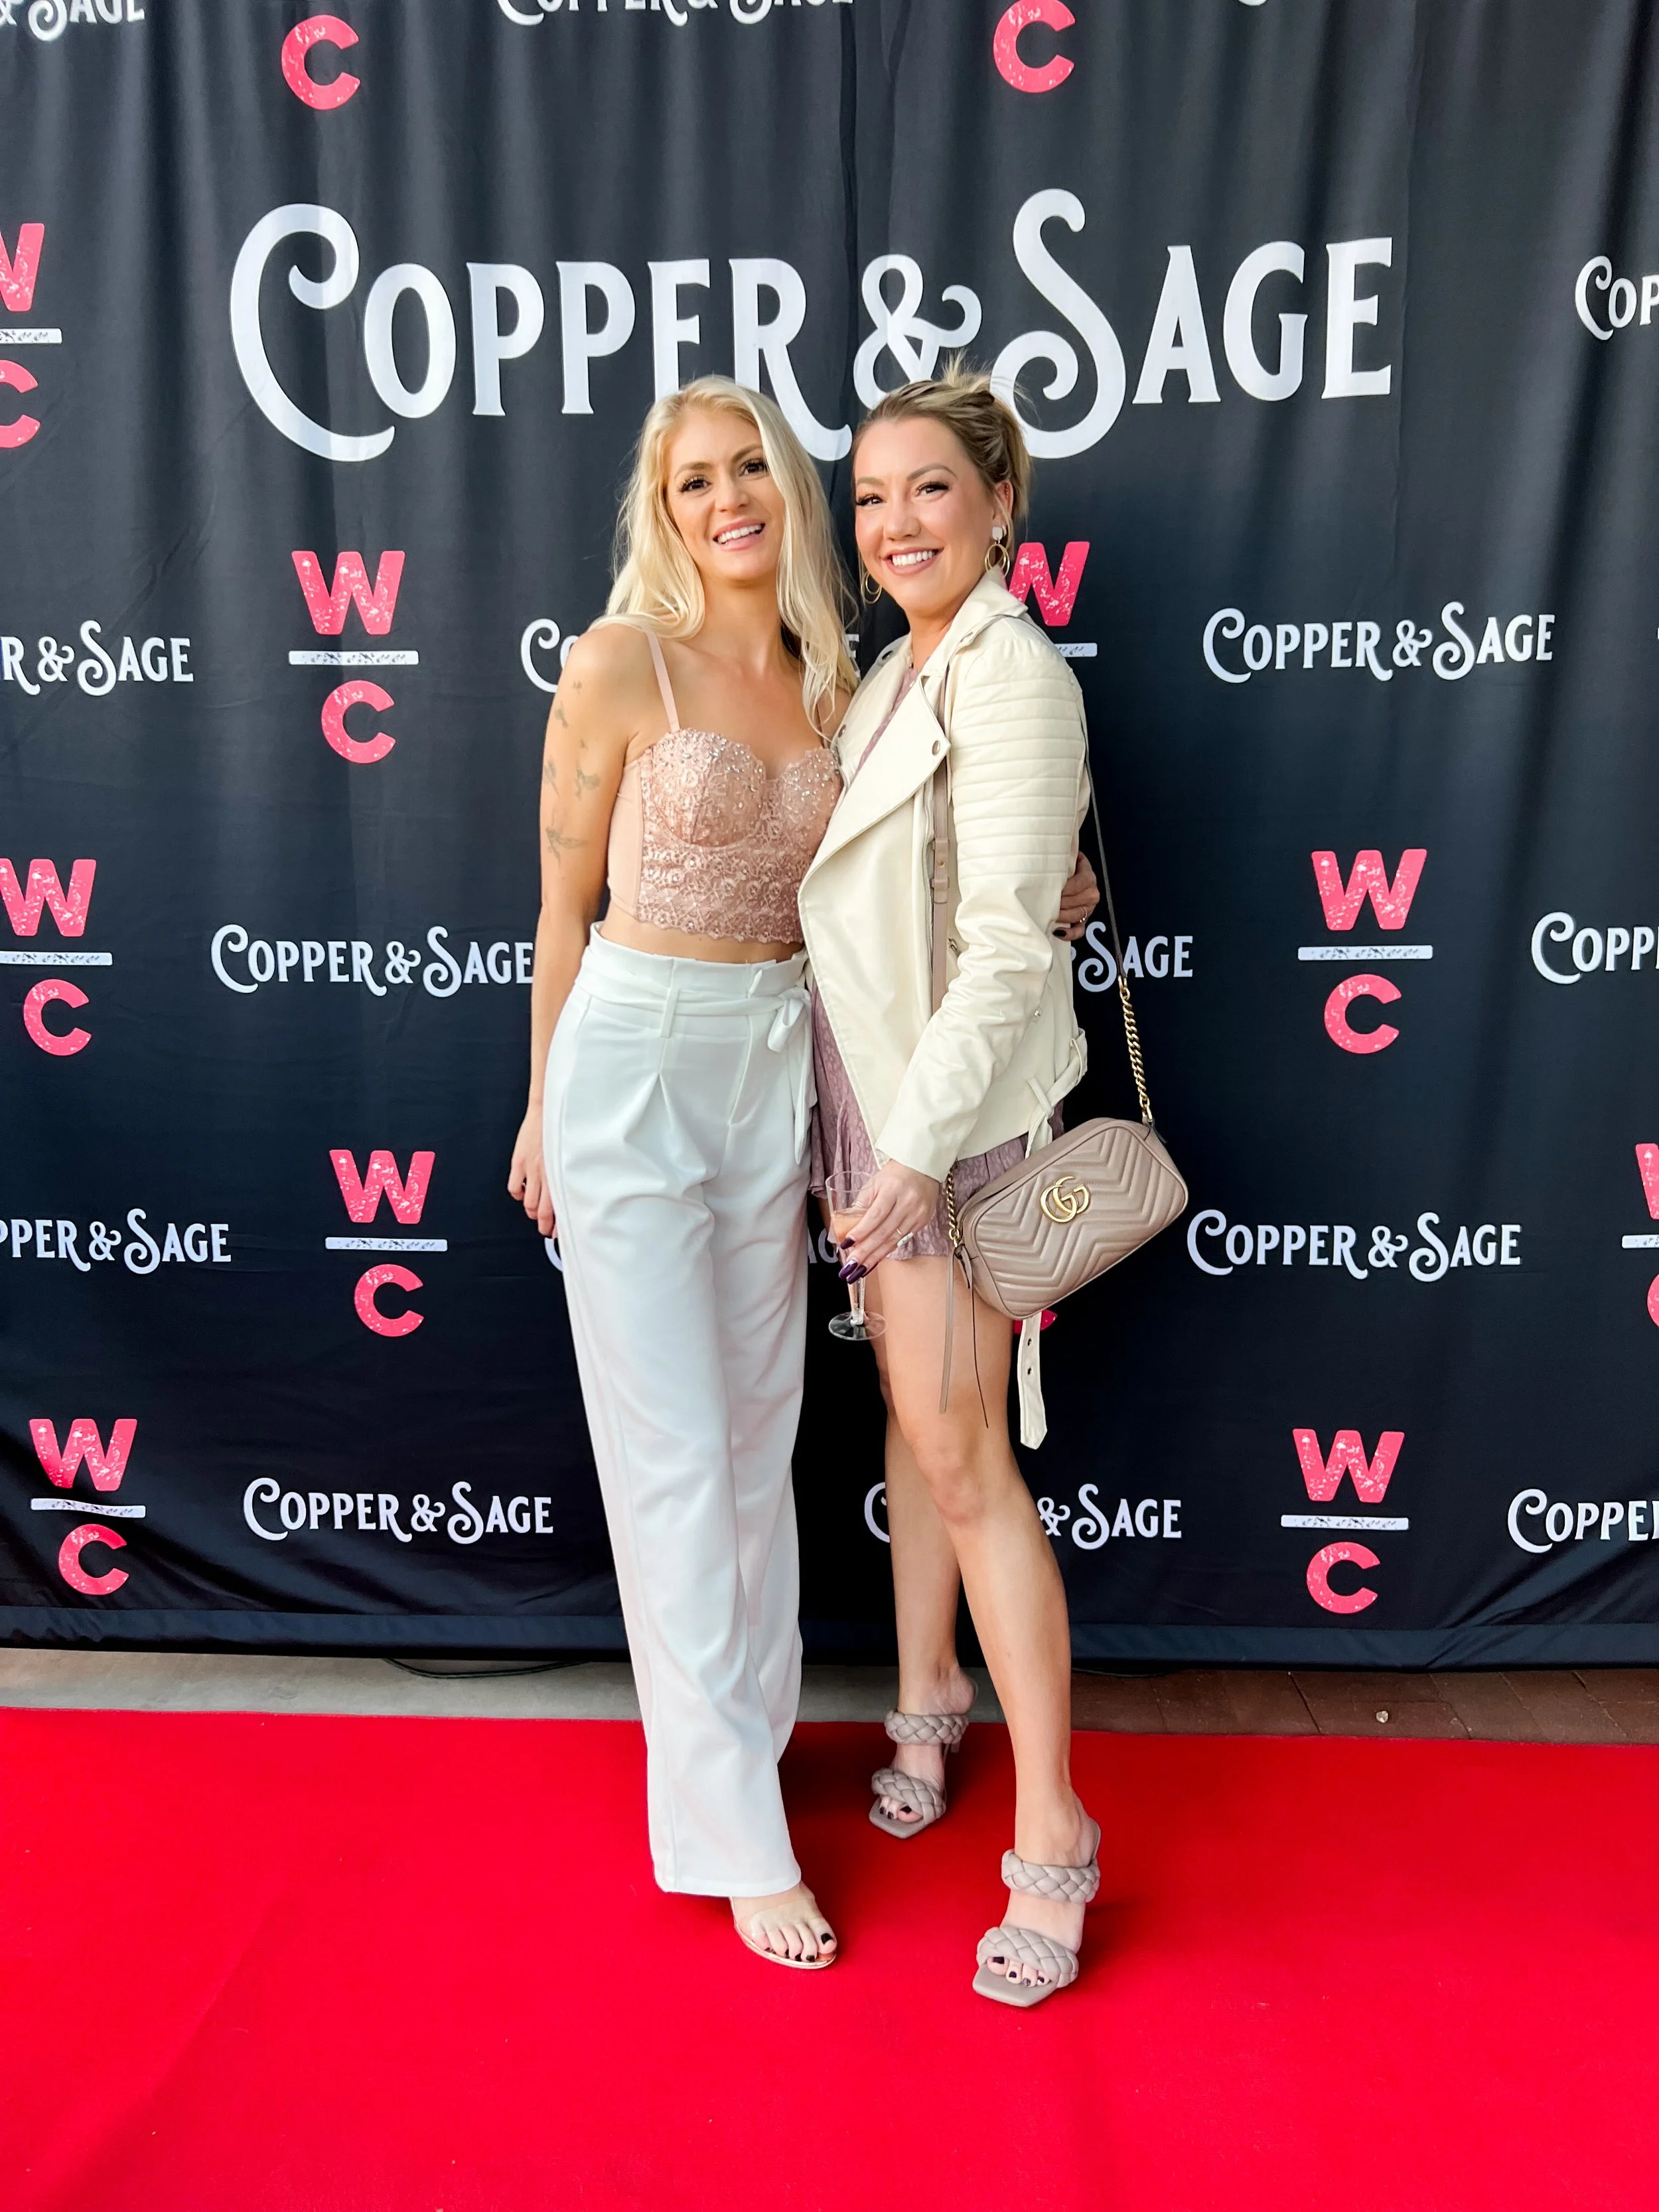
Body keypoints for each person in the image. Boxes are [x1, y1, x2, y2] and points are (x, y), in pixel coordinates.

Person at [508, 377, 851, 1968]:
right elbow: (558, 905)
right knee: (665, 1452)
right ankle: (733, 1836)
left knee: (753, 1438)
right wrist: (539, 1104)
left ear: (785, 489)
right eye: (693, 478)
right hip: (632, 1061)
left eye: (748, 470)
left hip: (768, 1063)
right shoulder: (617, 664)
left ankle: (742, 1742)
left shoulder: (828, 677)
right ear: (661, 509)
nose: (726, 498)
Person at [798, 367, 1101, 2008]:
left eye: (928, 489)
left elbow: (998, 948)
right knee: (914, 1430)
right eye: (868, 498)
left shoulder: (1011, 673)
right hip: (865, 1098)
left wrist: (912, 1154)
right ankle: (926, 1695)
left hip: (953, 1120)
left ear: (997, 505)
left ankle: (1052, 1830)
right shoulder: (880, 674)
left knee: (968, 1458)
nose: (895, 521)